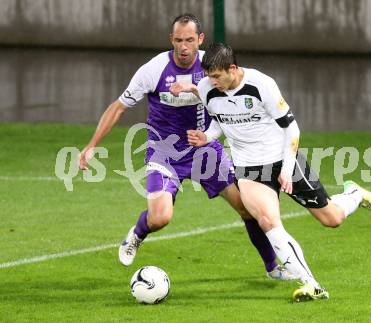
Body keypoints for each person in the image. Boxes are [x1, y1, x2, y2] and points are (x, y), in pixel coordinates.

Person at [78, 14, 293, 280]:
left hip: (205, 150)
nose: (183, 46)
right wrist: (91, 145)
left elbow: (231, 91)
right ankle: (137, 233)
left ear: (200, 40)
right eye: (178, 40)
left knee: (246, 207)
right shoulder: (154, 70)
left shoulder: (210, 66)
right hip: (164, 152)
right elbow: (119, 107)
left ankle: (273, 267)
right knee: (160, 217)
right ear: (171, 40)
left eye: (189, 40)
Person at [170, 42, 371, 302]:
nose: (211, 82)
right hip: (248, 168)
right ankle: (311, 284)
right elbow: (220, 121)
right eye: (208, 77)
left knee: (332, 218)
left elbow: (292, 130)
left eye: (216, 76)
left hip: (282, 159)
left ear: (233, 69)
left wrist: (286, 168)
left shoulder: (263, 85)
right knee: (268, 221)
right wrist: (206, 136)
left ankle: (353, 194)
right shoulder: (207, 89)